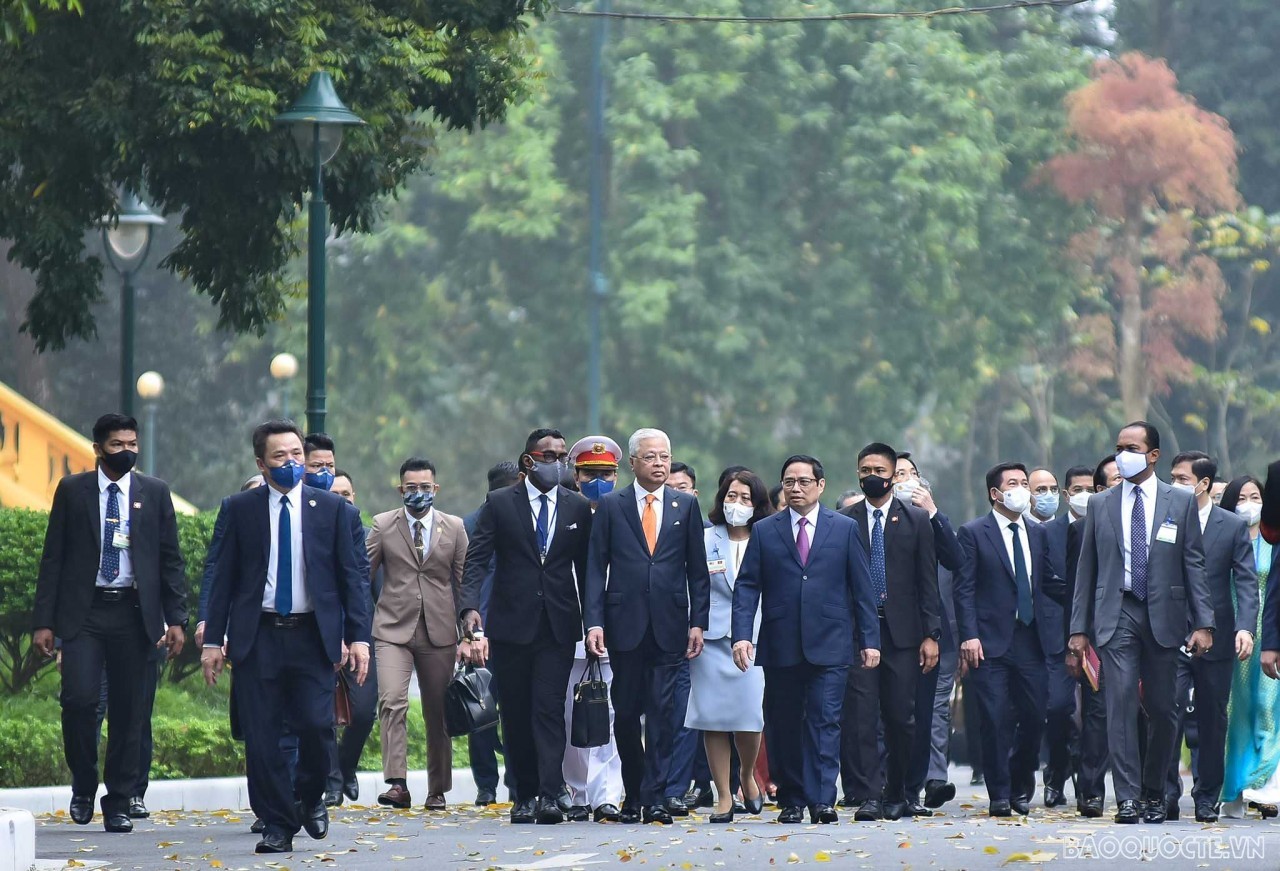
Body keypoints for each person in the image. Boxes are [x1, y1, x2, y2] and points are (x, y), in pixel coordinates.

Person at [201, 420, 371, 854]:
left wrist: (359, 638)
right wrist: (212, 641)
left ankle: (310, 796)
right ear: (261, 463)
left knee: (316, 727)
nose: (292, 463)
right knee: (262, 738)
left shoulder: (332, 510)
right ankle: (278, 823)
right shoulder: (240, 508)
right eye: (280, 456)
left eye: (297, 454)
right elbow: (221, 578)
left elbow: (352, 578)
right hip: (257, 637)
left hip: (312, 637)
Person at [32, 413, 187, 834]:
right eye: (117, 445)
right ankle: (83, 782)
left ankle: (118, 800)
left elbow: (169, 559)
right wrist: (44, 621)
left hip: (135, 614)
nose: (127, 451)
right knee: (79, 701)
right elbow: (54, 557)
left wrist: (176, 618)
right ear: (98, 449)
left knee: (130, 710)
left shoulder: (154, 493)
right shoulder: (73, 490)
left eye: (132, 443)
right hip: (84, 612)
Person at [1068, 421, 1214, 825]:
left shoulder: (1179, 502)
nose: (1122, 454)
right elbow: (1087, 572)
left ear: (1153, 455)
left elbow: (1194, 565)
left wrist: (1204, 623)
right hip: (1119, 614)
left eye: (1131, 447)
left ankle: (1153, 792)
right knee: (1119, 705)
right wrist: (1078, 630)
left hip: (1165, 615)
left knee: (1166, 710)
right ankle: (1128, 797)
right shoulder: (1101, 504)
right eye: (1118, 447)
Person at [731, 454, 881, 825]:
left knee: (825, 720)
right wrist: (741, 636)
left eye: (803, 481)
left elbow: (862, 589)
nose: (795, 488)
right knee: (783, 723)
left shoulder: (844, 528)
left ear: (820, 486)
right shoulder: (766, 530)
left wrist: (870, 639)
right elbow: (748, 586)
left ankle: (822, 799)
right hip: (781, 643)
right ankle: (792, 798)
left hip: (831, 642)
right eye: (788, 482)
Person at [462, 429, 593, 825]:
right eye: (548, 455)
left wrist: (595, 623)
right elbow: (478, 559)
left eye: (561, 456)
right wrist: (469, 608)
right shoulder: (500, 503)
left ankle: (551, 795)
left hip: (557, 624)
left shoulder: (576, 506)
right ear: (528, 461)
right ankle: (523, 792)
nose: (556, 463)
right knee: (516, 712)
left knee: (548, 709)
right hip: (510, 624)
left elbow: (586, 571)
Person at [583, 428, 711, 824]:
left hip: (671, 625)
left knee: (662, 713)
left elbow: (697, 571)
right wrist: (594, 622)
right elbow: (594, 569)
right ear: (634, 463)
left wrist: (698, 622)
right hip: (624, 624)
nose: (659, 464)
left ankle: (654, 796)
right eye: (651, 457)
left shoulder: (684, 506)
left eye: (665, 457)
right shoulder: (611, 506)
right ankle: (633, 792)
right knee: (624, 712)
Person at [838, 443, 940, 822]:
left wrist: (932, 634)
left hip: (904, 635)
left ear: (893, 472)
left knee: (901, 717)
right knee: (862, 718)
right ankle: (868, 794)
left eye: (879, 469)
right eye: (864, 469)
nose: (871, 476)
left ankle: (897, 791)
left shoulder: (914, 519)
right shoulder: (845, 521)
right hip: (859, 633)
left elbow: (927, 581)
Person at [955, 462, 1060, 817]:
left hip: (1032, 639)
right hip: (989, 642)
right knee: (995, 717)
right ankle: (1000, 793)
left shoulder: (1037, 533)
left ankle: (1020, 781)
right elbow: (964, 588)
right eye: (1013, 483)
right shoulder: (973, 532)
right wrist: (968, 635)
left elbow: (1048, 584)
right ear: (995, 493)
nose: (1022, 489)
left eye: (1024, 483)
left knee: (1034, 717)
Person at [367, 457, 467, 812]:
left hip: (440, 631)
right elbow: (363, 574)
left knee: (438, 711)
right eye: (411, 488)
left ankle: (437, 789)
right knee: (392, 700)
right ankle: (397, 784)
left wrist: (471, 630)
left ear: (435, 489)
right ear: (400, 490)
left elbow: (463, 582)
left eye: (425, 487)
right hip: (393, 628)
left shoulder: (453, 527)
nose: (419, 493)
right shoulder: (383, 525)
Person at [1163, 456, 1257, 823]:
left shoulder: (1231, 526)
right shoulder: (1163, 519)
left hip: (1216, 637)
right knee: (1165, 712)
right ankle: (1165, 793)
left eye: (1181, 478)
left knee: (1212, 718)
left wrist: (1245, 627)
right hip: (1169, 633)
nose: (1173, 483)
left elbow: (1246, 581)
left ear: (1202, 484)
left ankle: (1207, 796)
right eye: (1172, 477)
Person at [687, 469, 771, 822]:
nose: (737, 504)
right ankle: (723, 795)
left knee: (750, 718)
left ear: (757, 504)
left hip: (754, 637)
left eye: (745, 498)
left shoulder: (767, 537)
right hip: (711, 638)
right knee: (714, 720)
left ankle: (747, 775)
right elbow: (692, 585)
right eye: (731, 496)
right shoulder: (706, 539)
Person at [892, 454, 963, 814]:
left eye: (910, 474)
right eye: (898, 474)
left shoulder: (934, 521)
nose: (904, 479)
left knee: (934, 710)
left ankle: (931, 780)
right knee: (898, 712)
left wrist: (933, 513)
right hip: (892, 634)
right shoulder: (874, 522)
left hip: (939, 634)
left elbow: (957, 560)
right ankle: (894, 785)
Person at [561, 438, 625, 823]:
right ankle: (577, 792)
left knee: (611, 713)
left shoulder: (623, 513)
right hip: (569, 627)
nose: (597, 481)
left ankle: (607, 795)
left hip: (616, 630)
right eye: (590, 474)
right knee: (572, 715)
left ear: (617, 475)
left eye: (605, 474)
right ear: (576, 475)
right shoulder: (568, 513)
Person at [463, 461, 521, 808]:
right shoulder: (471, 525)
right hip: (480, 632)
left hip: (516, 630)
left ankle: (516, 782)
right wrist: (471, 632)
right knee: (480, 712)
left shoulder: (527, 519)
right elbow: (470, 581)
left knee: (515, 712)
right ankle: (486, 784)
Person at [1035, 464, 1093, 809]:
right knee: (1058, 708)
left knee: (1096, 715)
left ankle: (1089, 785)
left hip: (1102, 635)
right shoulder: (1048, 533)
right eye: (1077, 489)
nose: (1084, 494)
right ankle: (1056, 773)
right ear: (1067, 494)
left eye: (1091, 488)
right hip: (1058, 635)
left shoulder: (1106, 528)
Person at [1221, 476, 1279, 818]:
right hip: (1236, 637)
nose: (1248, 503)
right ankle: (1234, 790)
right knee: (1236, 713)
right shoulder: (1224, 536)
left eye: (1255, 496)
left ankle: (1266, 784)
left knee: (1267, 708)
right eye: (1241, 497)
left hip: (1269, 635)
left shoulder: (1275, 541)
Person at [331, 469, 382, 806]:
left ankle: (345, 766)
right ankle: (332, 782)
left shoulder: (366, 538)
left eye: (347, 494)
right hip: (321, 638)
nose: (342, 500)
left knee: (363, 713)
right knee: (321, 717)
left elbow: (375, 592)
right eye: (335, 494)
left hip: (362, 637)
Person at [662, 460, 702, 817]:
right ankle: (651, 785)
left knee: (683, 716)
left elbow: (702, 581)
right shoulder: (645, 522)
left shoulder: (704, 531)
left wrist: (698, 623)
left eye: (682, 487)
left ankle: (676, 788)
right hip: (650, 633)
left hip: (691, 636)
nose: (675, 493)